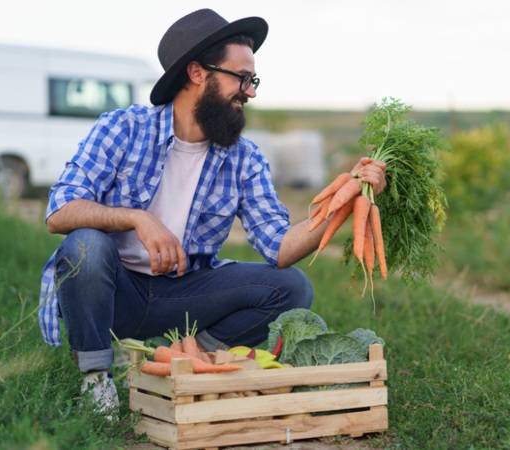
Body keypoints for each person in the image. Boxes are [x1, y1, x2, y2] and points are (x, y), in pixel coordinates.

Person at [37, 8, 387, 419]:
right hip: (115, 294)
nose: (250, 92)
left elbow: (279, 247)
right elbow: (59, 212)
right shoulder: (124, 128)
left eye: (253, 80)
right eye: (241, 78)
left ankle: (186, 359)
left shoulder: (244, 157)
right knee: (85, 245)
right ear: (197, 73)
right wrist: (137, 218)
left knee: (291, 287)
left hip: (184, 293)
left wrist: (346, 197)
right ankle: (96, 378)